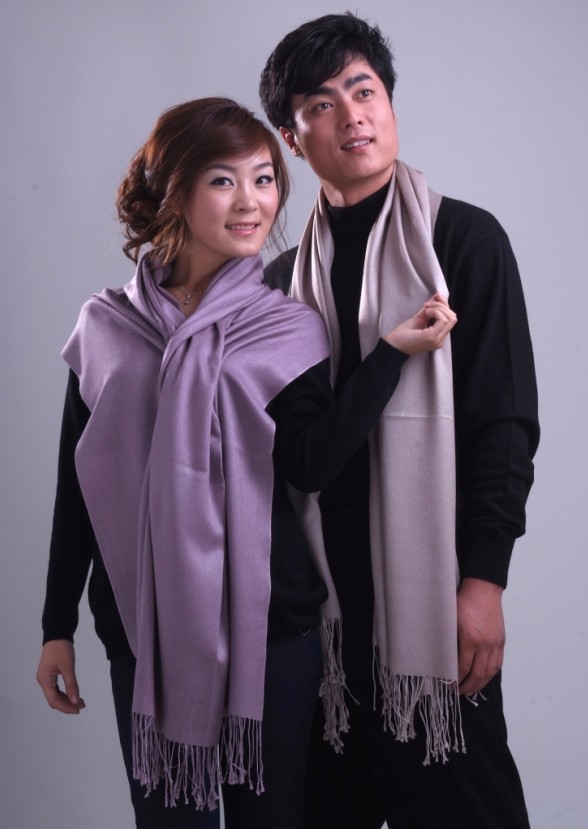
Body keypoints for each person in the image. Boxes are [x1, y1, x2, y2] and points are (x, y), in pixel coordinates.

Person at [36, 97, 456, 829]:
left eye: (264, 180)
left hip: (272, 625)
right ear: (175, 192)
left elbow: (311, 463)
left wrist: (390, 355)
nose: (250, 202)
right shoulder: (106, 327)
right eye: (223, 181)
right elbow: (80, 483)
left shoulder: (286, 326)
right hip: (142, 623)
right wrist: (55, 625)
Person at [259, 13, 540, 829]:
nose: (352, 115)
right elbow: (294, 456)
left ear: (389, 102)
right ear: (292, 138)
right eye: (322, 103)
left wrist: (484, 581)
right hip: (322, 622)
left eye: (364, 90)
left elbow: (504, 424)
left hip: (433, 605)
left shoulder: (463, 241)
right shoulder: (281, 283)